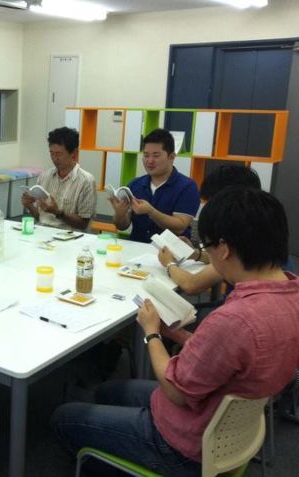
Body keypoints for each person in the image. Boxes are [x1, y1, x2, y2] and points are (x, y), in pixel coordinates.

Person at [52, 187, 299, 475]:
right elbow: (229, 357)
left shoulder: (235, 320)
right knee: (110, 391)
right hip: (226, 426)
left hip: (186, 445)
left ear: (225, 249)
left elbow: (175, 391)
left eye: (207, 247)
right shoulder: (290, 294)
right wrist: (179, 336)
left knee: (63, 418)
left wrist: (152, 333)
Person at [158, 164, 295, 295]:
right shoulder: (261, 227)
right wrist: (195, 254)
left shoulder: (241, 242)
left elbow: (192, 285)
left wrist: (169, 263)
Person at [110, 128, 200, 243]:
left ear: (171, 157)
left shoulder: (187, 187)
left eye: (156, 156)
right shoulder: (135, 184)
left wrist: (151, 211)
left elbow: (180, 226)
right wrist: (120, 213)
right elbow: (122, 226)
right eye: (146, 155)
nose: (150, 161)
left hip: (170, 250)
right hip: (137, 247)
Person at [21, 127, 96, 230]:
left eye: (59, 154)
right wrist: (29, 205)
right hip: (43, 232)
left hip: (71, 235)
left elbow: (83, 224)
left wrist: (58, 213)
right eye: (51, 153)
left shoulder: (86, 181)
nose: (54, 158)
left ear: (73, 153)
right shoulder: (44, 177)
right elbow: (41, 217)